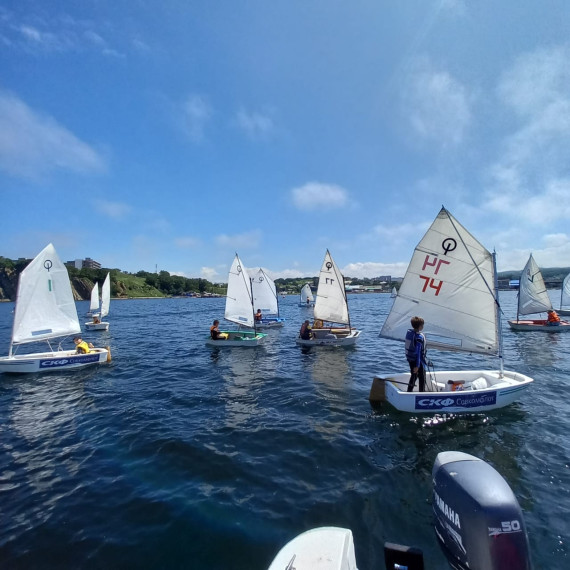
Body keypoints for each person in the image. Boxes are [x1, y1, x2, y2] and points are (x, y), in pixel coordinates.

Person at [405, 316, 427, 392]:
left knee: (414, 376)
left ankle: (409, 392)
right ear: (420, 326)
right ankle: (422, 394)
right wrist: (417, 366)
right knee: (422, 377)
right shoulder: (419, 337)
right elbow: (418, 352)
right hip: (417, 361)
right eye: (422, 325)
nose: (423, 326)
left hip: (410, 359)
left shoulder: (410, 333)